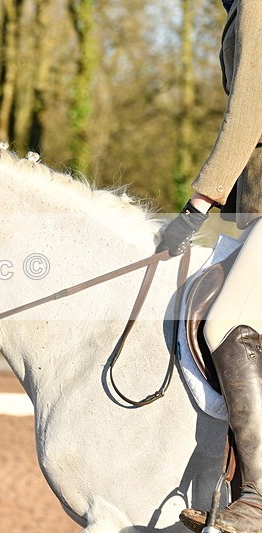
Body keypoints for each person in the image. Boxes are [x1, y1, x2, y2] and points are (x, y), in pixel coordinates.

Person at [156, 0, 262, 530]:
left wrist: (199, 203)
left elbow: (251, 110)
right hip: (252, 211)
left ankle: (259, 495)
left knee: (225, 322)